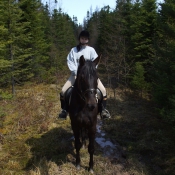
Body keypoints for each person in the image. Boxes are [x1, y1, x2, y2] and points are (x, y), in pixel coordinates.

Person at [58, 30, 111, 119]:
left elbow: (95, 63)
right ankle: (65, 110)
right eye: (82, 38)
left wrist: (91, 72)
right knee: (63, 91)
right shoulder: (73, 50)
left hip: (90, 76)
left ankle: (103, 110)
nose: (84, 40)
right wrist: (75, 71)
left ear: (88, 40)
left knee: (103, 91)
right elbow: (70, 61)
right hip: (75, 75)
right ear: (80, 39)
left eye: (86, 39)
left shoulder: (91, 50)